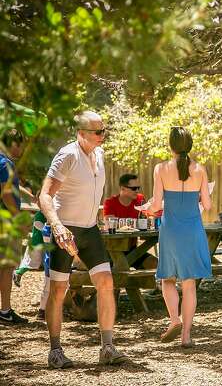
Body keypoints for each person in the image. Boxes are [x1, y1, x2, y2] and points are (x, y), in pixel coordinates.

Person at [39, 111, 127, 369]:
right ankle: (55, 351)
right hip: (65, 231)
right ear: (81, 133)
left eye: (104, 130)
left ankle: (108, 348)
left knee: (106, 282)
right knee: (58, 290)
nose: (103, 136)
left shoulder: (99, 154)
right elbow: (44, 195)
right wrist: (57, 226)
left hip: (90, 231)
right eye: (98, 132)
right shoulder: (67, 155)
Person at [150, 126, 212, 348]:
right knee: (189, 284)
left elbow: (157, 205)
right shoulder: (200, 169)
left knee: (167, 278)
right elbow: (207, 204)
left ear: (171, 146)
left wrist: (148, 209)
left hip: (171, 230)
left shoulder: (161, 169)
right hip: (193, 229)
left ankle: (174, 320)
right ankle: (186, 336)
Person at [0, 128, 29, 324]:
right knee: (7, 266)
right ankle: (5, 310)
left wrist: (30, 195)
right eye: (21, 145)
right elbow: (7, 194)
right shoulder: (5, 164)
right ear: (13, 144)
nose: (22, 150)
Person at [103, 173, 157, 269]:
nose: (137, 191)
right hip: (111, 250)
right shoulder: (110, 202)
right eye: (133, 188)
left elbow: (145, 222)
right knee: (121, 267)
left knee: (154, 263)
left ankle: (150, 283)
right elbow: (109, 224)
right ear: (123, 188)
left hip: (133, 249)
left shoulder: (140, 199)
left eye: (138, 188)